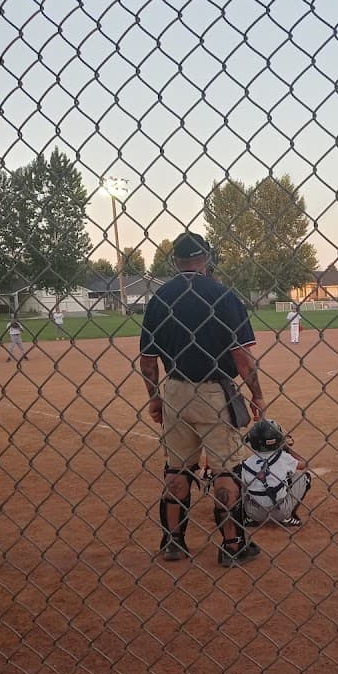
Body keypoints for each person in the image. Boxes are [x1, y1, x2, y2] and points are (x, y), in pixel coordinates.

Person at [139, 231, 267, 566]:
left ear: (175, 261)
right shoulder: (223, 296)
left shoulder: (159, 299)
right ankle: (232, 544)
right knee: (226, 468)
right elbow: (242, 358)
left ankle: (173, 542)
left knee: (177, 467)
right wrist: (257, 395)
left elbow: (148, 360)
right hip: (214, 390)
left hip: (175, 391)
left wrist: (155, 397)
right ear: (206, 258)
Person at [239, 419, 312, 529]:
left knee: (240, 482)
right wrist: (286, 448)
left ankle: (248, 518)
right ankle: (287, 517)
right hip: (281, 511)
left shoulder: (246, 463)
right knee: (304, 477)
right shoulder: (283, 457)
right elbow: (304, 464)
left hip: (253, 511)